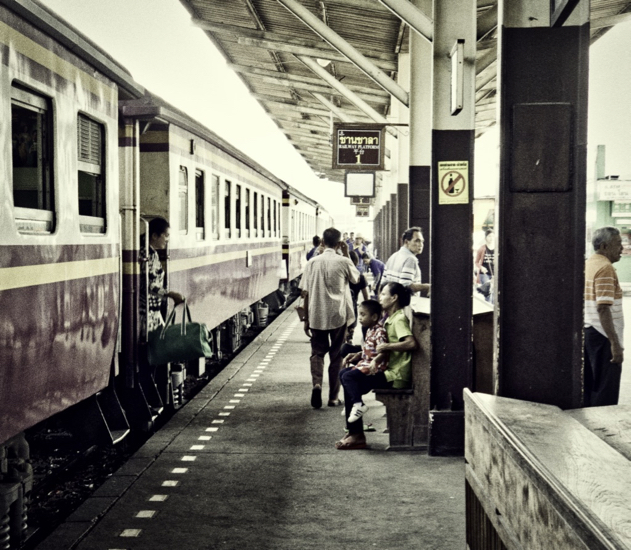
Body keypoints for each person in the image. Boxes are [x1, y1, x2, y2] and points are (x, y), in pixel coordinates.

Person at [336, 284, 417, 450]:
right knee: (346, 373)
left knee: (349, 377)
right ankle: (354, 430)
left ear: (394, 298)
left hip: (395, 374)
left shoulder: (399, 319)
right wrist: (360, 355)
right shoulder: (389, 317)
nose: (380, 296)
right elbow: (377, 346)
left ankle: (356, 433)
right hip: (387, 369)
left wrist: (387, 347)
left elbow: (410, 343)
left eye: (384, 293)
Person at [300, 227, 359, 409]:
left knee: (317, 353)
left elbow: (305, 292)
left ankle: (317, 384)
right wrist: (347, 254)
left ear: (322, 242)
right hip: (338, 315)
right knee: (336, 356)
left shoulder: (312, 262)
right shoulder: (343, 261)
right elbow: (356, 279)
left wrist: (307, 319)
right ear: (340, 243)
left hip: (317, 314)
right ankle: (333, 398)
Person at [584, 226, 624, 407]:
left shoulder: (588, 263)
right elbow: (603, 308)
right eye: (618, 243)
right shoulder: (605, 268)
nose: (622, 248)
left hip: (590, 332)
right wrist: (615, 343)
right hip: (603, 335)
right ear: (604, 246)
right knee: (606, 389)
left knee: (593, 384)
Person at [140, 217, 185, 337]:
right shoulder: (147, 254)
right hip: (145, 315)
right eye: (166, 235)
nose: (167, 240)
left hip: (150, 312)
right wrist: (169, 294)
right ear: (155, 236)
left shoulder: (148, 252)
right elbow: (148, 285)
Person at [382, 227, 430, 295]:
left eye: (422, 241)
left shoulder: (393, 256)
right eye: (417, 241)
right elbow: (406, 286)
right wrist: (427, 286)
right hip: (406, 304)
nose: (421, 244)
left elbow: (383, 283)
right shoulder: (410, 259)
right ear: (406, 242)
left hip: (393, 302)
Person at [348, 251, 369, 328]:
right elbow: (366, 297)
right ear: (356, 262)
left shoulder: (340, 277)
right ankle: (350, 335)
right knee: (351, 328)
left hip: (339, 307)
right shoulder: (360, 277)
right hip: (352, 307)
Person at [475, 229, 495, 303]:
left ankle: (492, 308)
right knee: (488, 290)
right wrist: (481, 267)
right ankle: (488, 307)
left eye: (493, 236)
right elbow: (476, 262)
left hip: (494, 273)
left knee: (494, 292)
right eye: (489, 236)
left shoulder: (498, 248)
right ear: (486, 237)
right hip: (484, 273)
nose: (491, 238)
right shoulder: (482, 248)